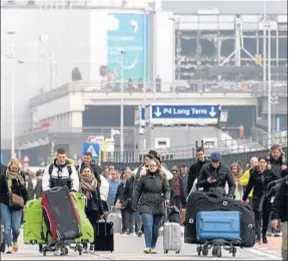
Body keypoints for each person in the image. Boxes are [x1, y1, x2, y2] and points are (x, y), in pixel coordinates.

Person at [132, 157, 170, 254]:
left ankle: (153, 246)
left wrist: (167, 198)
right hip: (146, 203)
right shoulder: (143, 177)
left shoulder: (162, 177)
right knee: (148, 225)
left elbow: (167, 189)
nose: (151, 167)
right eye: (150, 166)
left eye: (153, 165)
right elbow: (137, 191)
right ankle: (148, 246)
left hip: (158, 204)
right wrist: (134, 204)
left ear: (158, 166)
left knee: (155, 227)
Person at [242, 156, 277, 244]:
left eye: (264, 162)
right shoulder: (254, 174)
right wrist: (244, 198)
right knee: (257, 216)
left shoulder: (270, 173)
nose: (262, 164)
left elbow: (276, 182)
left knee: (266, 217)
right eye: (260, 162)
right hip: (257, 198)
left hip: (267, 198)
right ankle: (258, 235)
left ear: (266, 164)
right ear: (258, 163)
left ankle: (264, 234)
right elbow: (249, 186)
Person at [0, 158, 29, 254]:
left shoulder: (21, 177)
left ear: (18, 168)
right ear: (9, 167)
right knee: (7, 227)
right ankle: (9, 246)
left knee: (16, 228)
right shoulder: (4, 177)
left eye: (16, 169)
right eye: (12, 168)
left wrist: (26, 202)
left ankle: (15, 240)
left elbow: (24, 191)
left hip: (17, 204)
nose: (14, 170)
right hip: (5, 203)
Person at [79, 166, 103, 252]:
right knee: (83, 226)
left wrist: (101, 209)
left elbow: (98, 196)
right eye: (85, 171)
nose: (86, 173)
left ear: (91, 172)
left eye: (88, 171)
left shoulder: (95, 182)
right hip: (82, 207)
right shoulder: (78, 183)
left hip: (93, 207)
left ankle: (92, 243)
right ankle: (85, 243)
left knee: (93, 226)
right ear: (81, 172)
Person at [271, 176, 288, 260]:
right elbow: (277, 201)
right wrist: (274, 218)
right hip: (286, 218)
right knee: (286, 240)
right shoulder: (285, 184)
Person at [114, 170, 134, 234]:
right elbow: (117, 194)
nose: (126, 178)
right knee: (124, 215)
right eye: (124, 177)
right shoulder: (120, 185)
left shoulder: (133, 184)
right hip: (123, 202)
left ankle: (130, 229)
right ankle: (124, 229)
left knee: (130, 216)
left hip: (131, 202)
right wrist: (115, 203)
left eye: (128, 176)